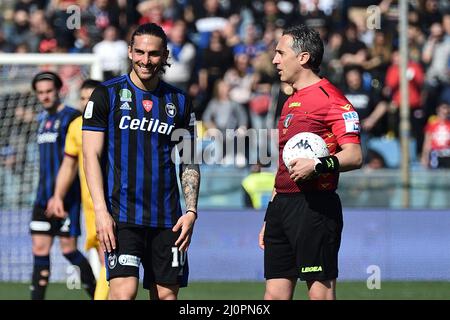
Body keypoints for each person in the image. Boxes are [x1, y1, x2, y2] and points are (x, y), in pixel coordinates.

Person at [82, 23, 200, 300]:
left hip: (167, 218)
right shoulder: (105, 95)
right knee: (124, 292)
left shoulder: (180, 102)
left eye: (154, 54)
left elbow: (190, 159)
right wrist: (101, 211)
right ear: (130, 52)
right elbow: (91, 156)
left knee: (167, 296)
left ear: (165, 55)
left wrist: (191, 211)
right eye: (140, 52)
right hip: (121, 215)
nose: (146, 60)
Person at [259, 25, 362, 300]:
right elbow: (284, 164)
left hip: (315, 207)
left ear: (302, 58)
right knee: (274, 295)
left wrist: (317, 165)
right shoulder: (289, 100)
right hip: (282, 207)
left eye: (281, 53)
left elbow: (354, 155)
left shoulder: (332, 100)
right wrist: (271, 214)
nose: (275, 60)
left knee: (320, 295)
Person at [29, 71, 96, 300]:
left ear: (59, 91)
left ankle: (98, 294)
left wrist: (61, 195)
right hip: (42, 196)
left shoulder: (72, 118)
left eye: (49, 91)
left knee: (68, 250)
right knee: (39, 250)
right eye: (40, 93)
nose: (45, 96)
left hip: (67, 198)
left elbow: (75, 159)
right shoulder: (42, 120)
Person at [46, 79, 109, 300]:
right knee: (105, 260)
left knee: (108, 260)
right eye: (83, 98)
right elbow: (69, 164)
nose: (86, 103)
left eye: (91, 98)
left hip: (112, 204)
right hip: (90, 207)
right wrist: (58, 196)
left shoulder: (114, 124)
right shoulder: (76, 126)